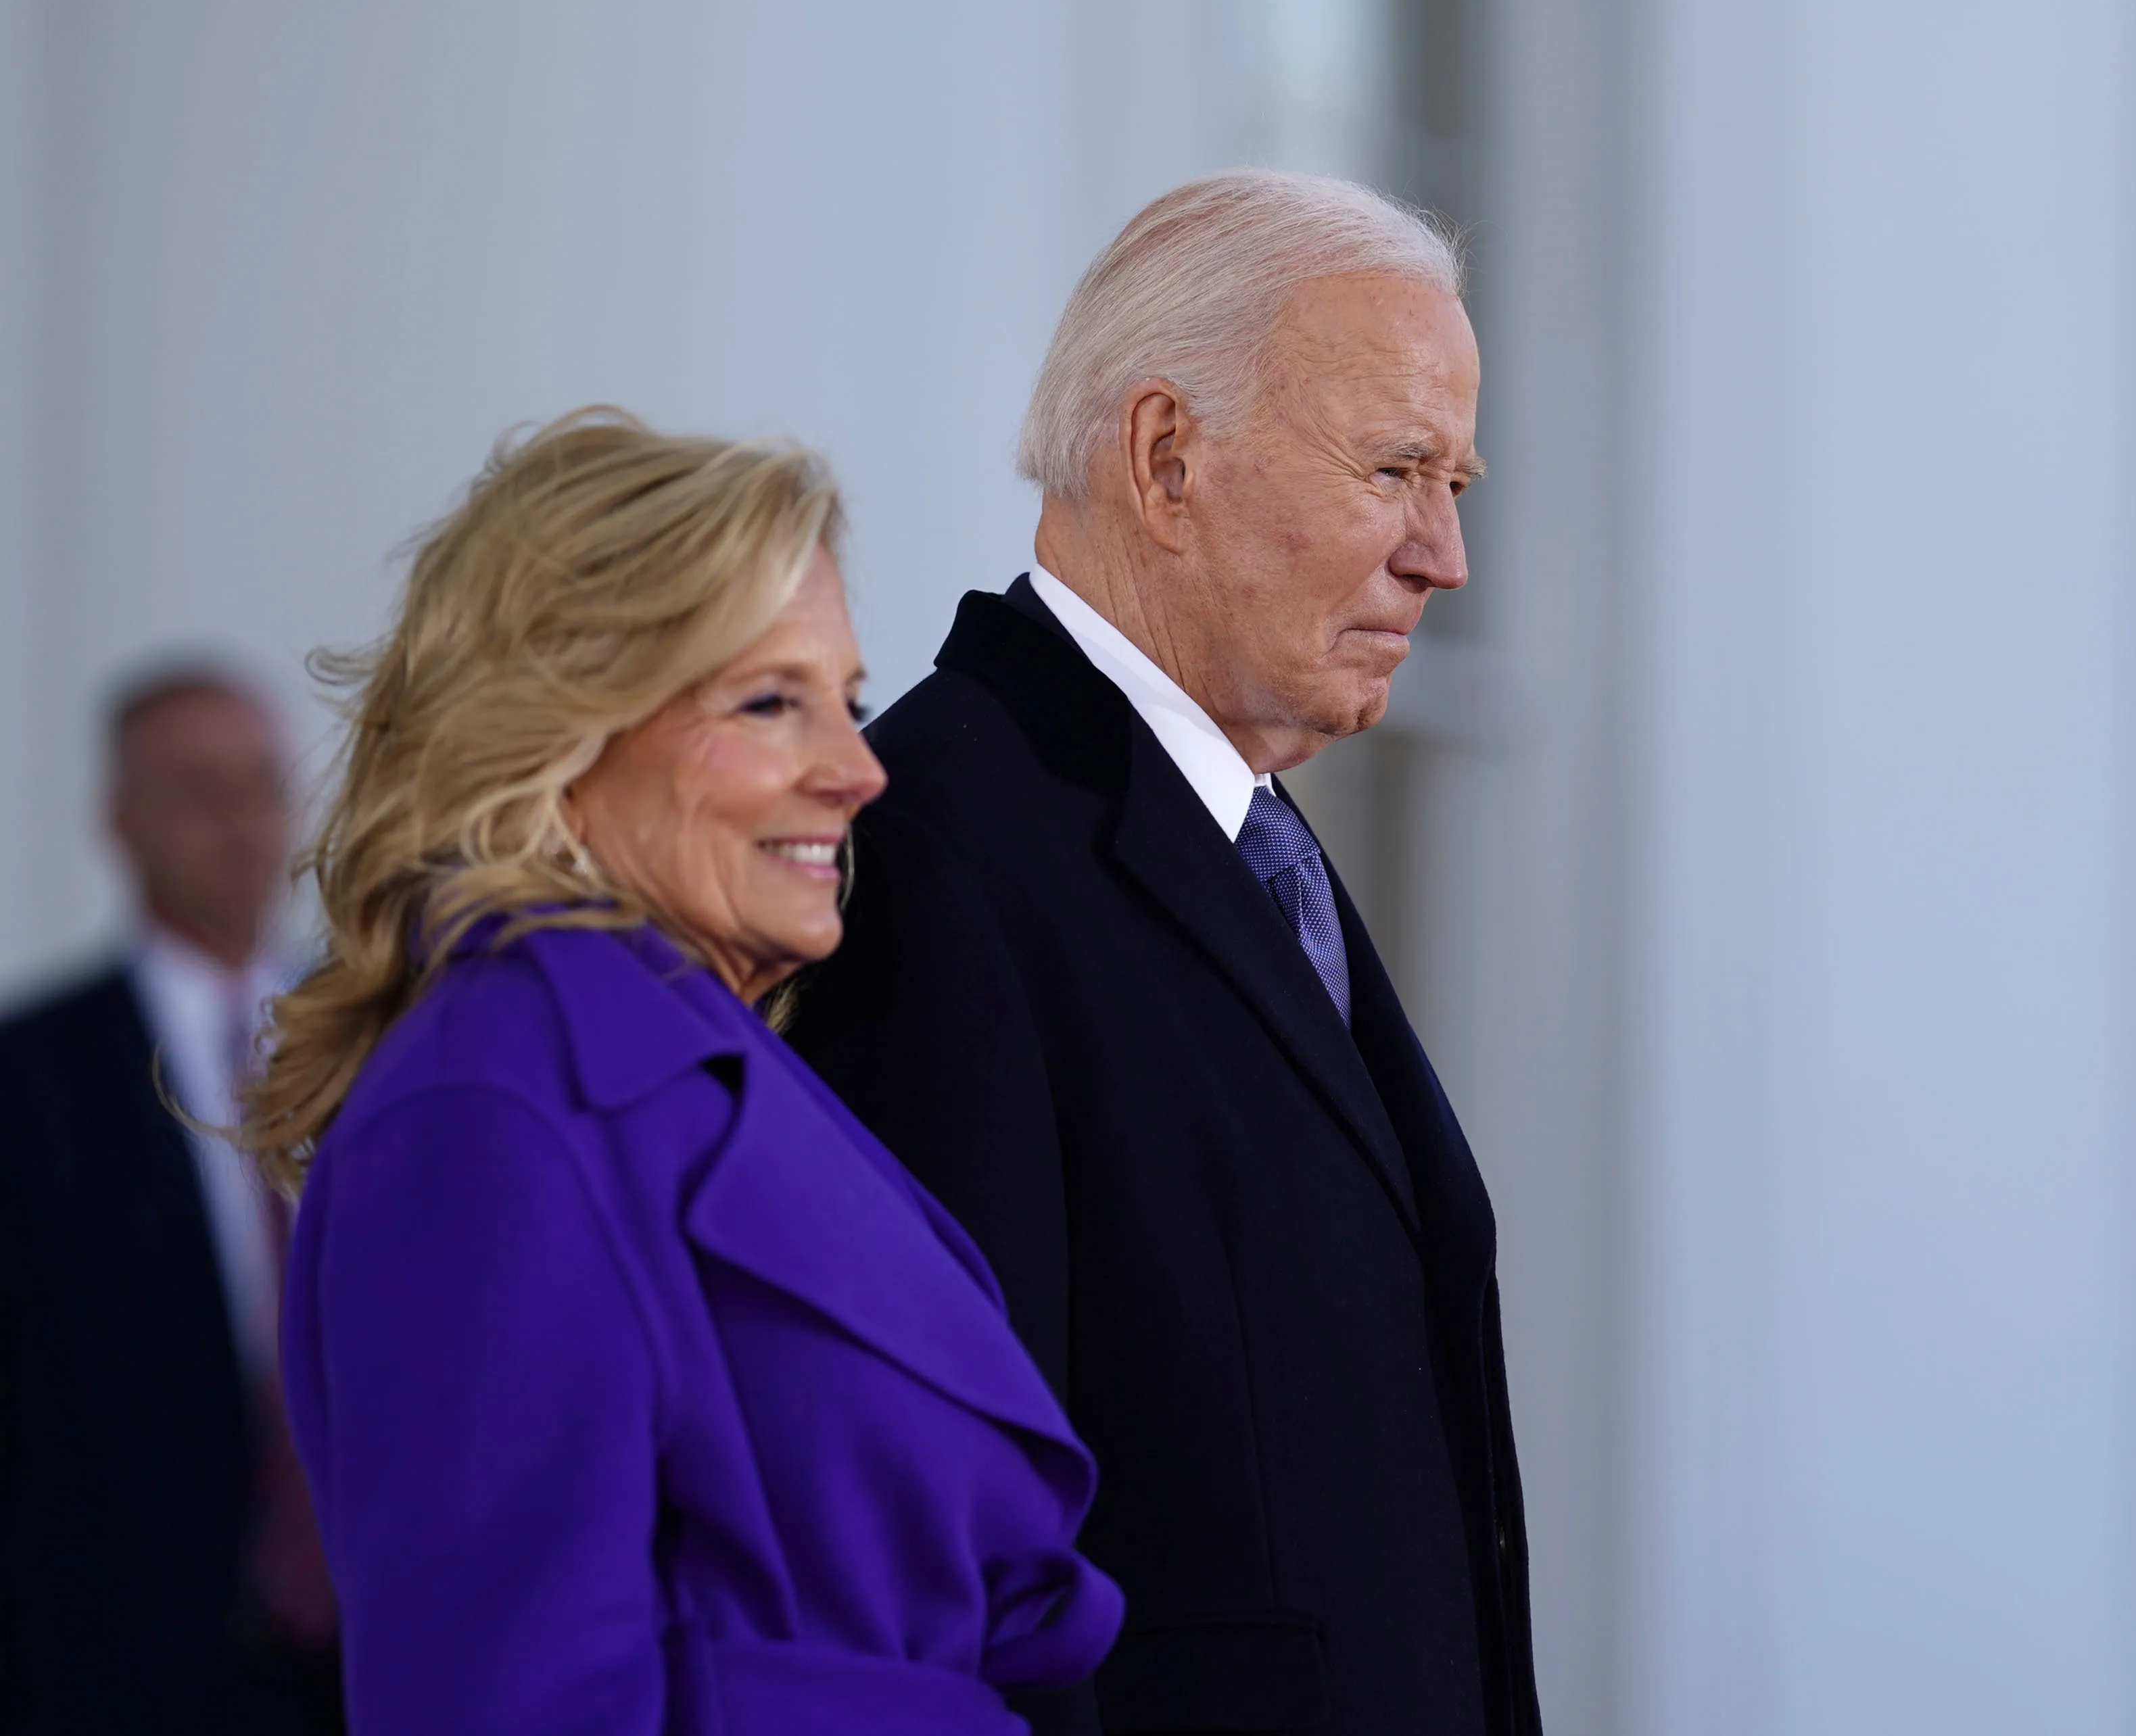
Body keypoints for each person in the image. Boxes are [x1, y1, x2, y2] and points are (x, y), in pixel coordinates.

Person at [790, 170, 1542, 1735]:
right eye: (1396, 467)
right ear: (1164, 457)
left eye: (1453, 481)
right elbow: (949, 1564)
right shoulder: (936, 856)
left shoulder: (1245, 841)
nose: (1442, 555)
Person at [236, 410, 1122, 1734]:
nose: (858, 770)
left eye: (850, 700)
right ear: (559, 738)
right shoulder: (490, 1106)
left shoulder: (694, 1074)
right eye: (770, 702)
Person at [0, 665, 343, 1735]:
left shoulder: (385, 1046)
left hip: (367, 1659)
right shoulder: (30, 1079)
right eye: (198, 791)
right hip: (114, 1667)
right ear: (121, 819)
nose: (240, 825)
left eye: (261, 788)